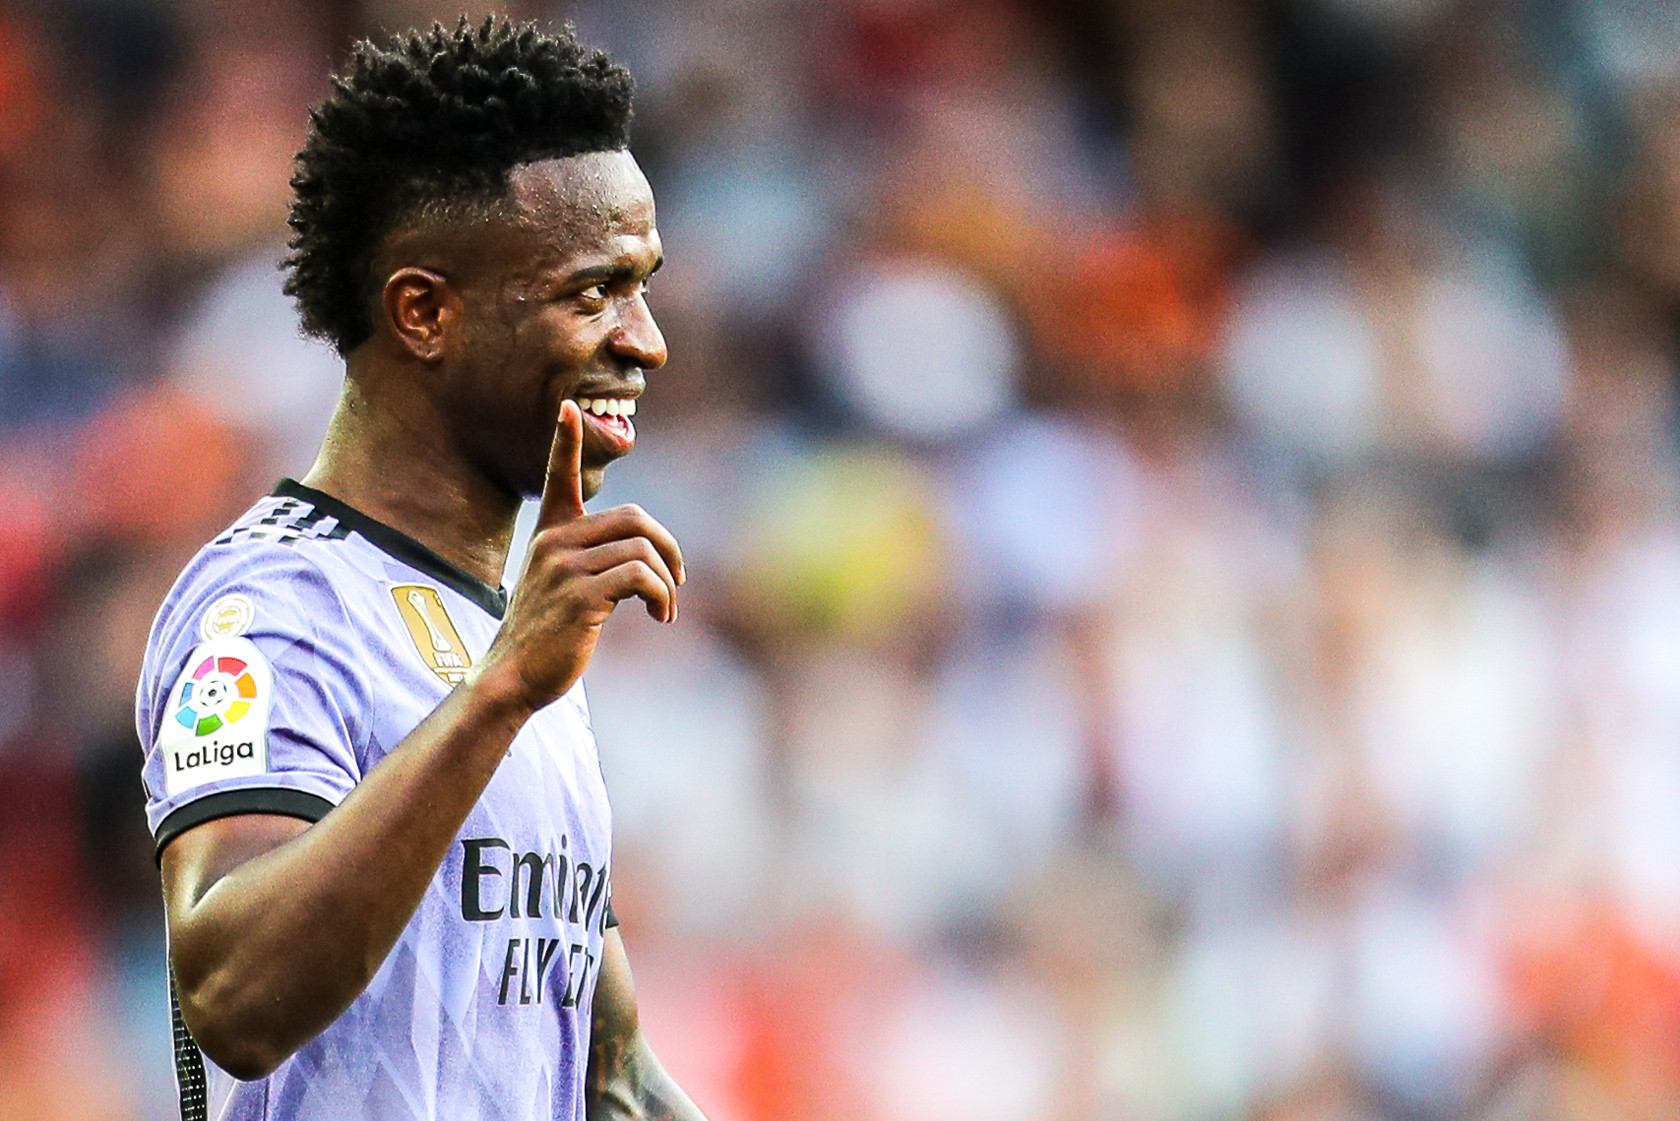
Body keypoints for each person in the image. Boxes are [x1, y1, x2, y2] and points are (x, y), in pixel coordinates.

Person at [135, 19, 707, 1121]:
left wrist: (510, 679)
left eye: (642, 286)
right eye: (593, 292)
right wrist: (498, 692)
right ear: (424, 311)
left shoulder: (516, 643)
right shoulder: (270, 605)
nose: (646, 339)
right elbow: (234, 995)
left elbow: (610, 1076)